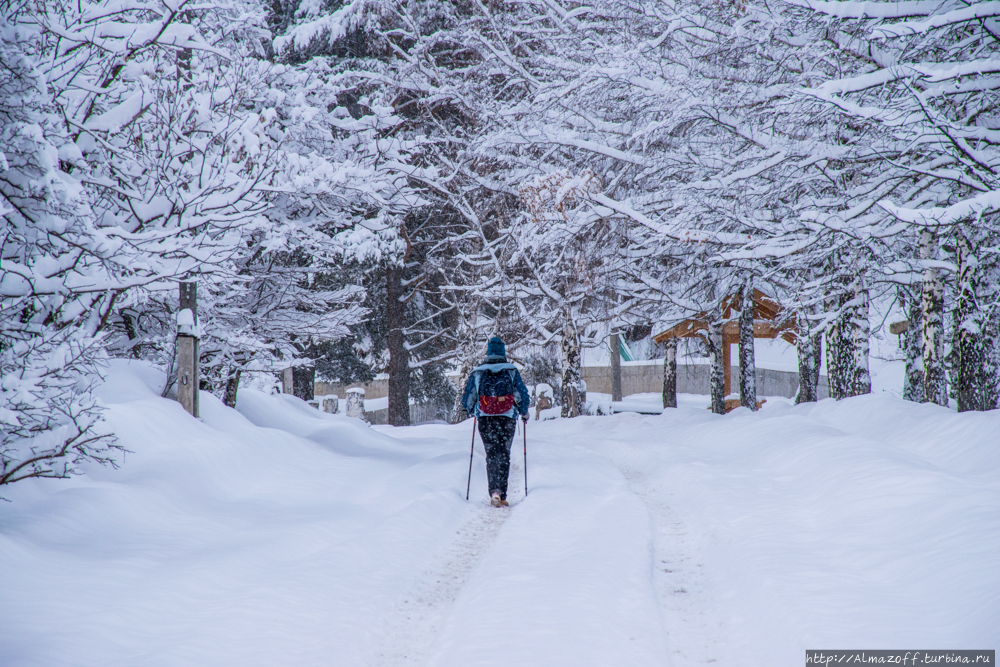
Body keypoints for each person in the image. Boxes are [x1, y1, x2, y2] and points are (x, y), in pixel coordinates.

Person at [461, 336, 530, 507]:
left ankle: (494, 491)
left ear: (488, 352)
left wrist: (471, 410)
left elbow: (468, 398)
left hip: (485, 419)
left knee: (491, 454)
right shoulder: (511, 371)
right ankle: (503, 494)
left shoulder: (478, 372)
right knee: (504, 454)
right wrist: (524, 412)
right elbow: (522, 394)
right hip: (507, 419)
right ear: (503, 352)